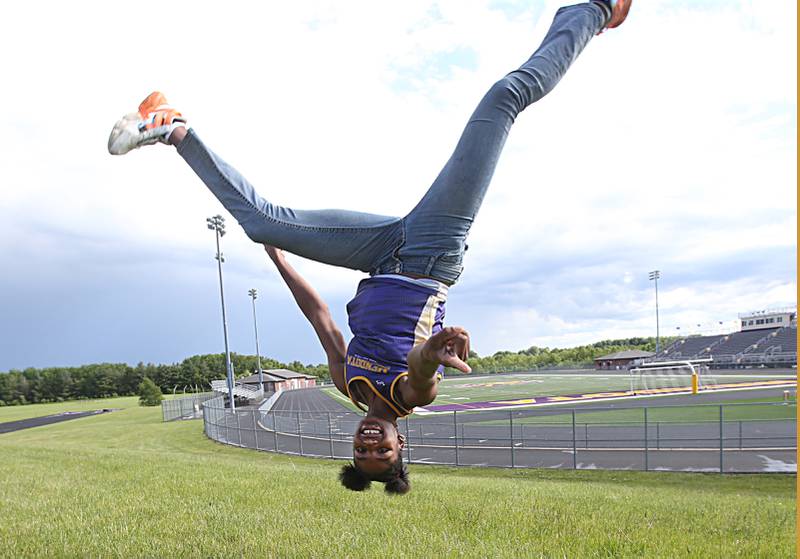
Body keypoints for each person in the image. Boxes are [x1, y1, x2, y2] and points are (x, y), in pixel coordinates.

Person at [108, 0, 631, 494]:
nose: (369, 445)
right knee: (503, 98)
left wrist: (279, 256)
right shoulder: (409, 398)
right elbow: (422, 362)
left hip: (379, 257)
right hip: (430, 254)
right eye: (381, 453)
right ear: (401, 445)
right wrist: (438, 347)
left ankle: (172, 126)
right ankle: (595, 10)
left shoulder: (349, 386)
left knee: (261, 222)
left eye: (360, 453)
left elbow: (322, 319)